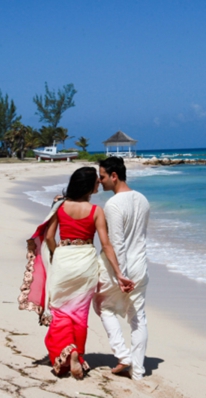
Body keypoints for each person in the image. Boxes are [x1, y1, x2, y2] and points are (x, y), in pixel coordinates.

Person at [20, 167, 133, 379]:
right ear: (89, 185)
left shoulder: (61, 206)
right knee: (80, 314)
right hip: (86, 263)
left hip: (65, 259)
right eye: (96, 182)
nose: (99, 183)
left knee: (60, 311)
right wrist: (118, 273)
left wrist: (57, 255)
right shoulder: (96, 211)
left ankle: (70, 353)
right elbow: (106, 245)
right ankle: (77, 355)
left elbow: (51, 237)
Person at [93, 156, 150, 380]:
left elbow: (117, 243)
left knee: (103, 307)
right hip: (141, 265)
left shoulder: (114, 204)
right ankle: (138, 371)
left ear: (114, 176)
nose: (101, 181)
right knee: (138, 317)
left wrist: (120, 275)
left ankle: (122, 355)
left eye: (103, 176)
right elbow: (140, 238)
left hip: (120, 268)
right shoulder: (143, 199)